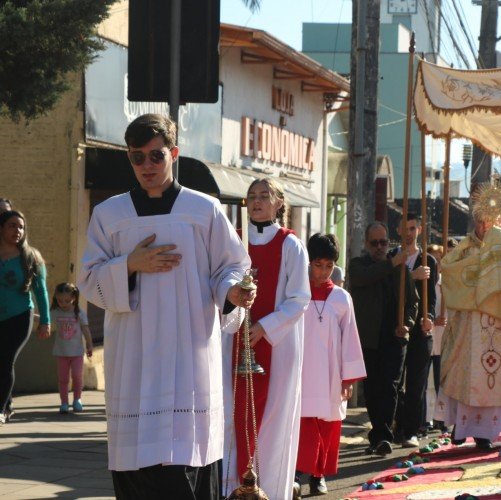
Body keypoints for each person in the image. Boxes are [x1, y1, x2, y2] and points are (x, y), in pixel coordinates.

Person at [78, 113, 253, 499]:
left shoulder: (204, 210)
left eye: (156, 156)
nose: (147, 166)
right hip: (134, 359)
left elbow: (232, 267)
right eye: (137, 157)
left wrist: (233, 293)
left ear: (173, 153)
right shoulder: (110, 214)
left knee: (184, 472)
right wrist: (129, 265)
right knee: (138, 474)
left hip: (188, 360)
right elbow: (88, 280)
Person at [221, 177, 310, 499]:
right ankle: (231, 489)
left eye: (264, 196)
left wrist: (264, 327)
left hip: (277, 345)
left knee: (271, 421)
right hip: (235, 340)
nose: (256, 202)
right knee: (233, 416)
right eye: (251, 196)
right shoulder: (235, 242)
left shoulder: (291, 244)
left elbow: (300, 298)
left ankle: (269, 490)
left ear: (279, 203)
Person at [435, 182, 501, 450]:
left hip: (498, 326)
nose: (485, 225)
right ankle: (459, 425)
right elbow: (449, 271)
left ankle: (483, 433)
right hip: (468, 325)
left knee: (491, 378)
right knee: (462, 374)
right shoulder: (465, 248)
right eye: (481, 220)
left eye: (491, 220)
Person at [295, 233, 366, 496]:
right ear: (308, 262)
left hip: (330, 373)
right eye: (318, 265)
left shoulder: (341, 298)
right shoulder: (296, 293)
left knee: (327, 424)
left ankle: (318, 474)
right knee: (303, 422)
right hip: (301, 370)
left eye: (329, 266)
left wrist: (348, 378)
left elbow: (350, 338)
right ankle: (296, 473)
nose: (324, 272)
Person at [348, 222, 418, 457]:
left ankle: (383, 436)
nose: (379, 247)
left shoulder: (401, 269)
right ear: (367, 244)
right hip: (368, 339)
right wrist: (391, 263)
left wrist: (407, 323)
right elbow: (364, 278)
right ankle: (378, 433)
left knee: (390, 387)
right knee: (372, 389)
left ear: (389, 242)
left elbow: (412, 302)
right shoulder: (359, 265)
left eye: (383, 242)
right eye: (374, 243)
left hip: (394, 338)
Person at [0, 210, 50, 425]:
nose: (17, 231)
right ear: (1, 228)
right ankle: (7, 403)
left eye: (21, 227)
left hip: (19, 317)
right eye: (12, 226)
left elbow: (41, 291)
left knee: (5, 361)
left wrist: (46, 320)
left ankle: (1, 410)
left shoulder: (31, 257)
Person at [389, 213, 435, 448]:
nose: (409, 233)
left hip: (418, 330)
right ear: (398, 230)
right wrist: (410, 276)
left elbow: (433, 299)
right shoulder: (392, 257)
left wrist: (430, 317)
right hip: (396, 328)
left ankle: (412, 430)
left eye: (413, 228)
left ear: (419, 230)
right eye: (405, 228)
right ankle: (396, 425)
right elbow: (387, 286)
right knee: (395, 383)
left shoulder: (428, 260)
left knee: (416, 383)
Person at [50, 282, 93, 414]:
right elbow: (44, 320)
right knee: (63, 378)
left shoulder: (79, 312)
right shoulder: (55, 312)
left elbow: (85, 329)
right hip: (61, 352)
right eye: (60, 300)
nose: (63, 303)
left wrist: (89, 344)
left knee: (77, 376)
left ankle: (77, 400)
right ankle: (64, 403)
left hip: (77, 353)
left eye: (67, 300)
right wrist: (30, 316)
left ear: (74, 297)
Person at [426, 244, 447, 431]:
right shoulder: (424, 283)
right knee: (427, 382)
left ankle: (441, 418)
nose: (436, 263)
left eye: (438, 259)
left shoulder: (445, 284)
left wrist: (444, 318)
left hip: (442, 340)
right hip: (426, 337)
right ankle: (425, 419)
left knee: (440, 381)